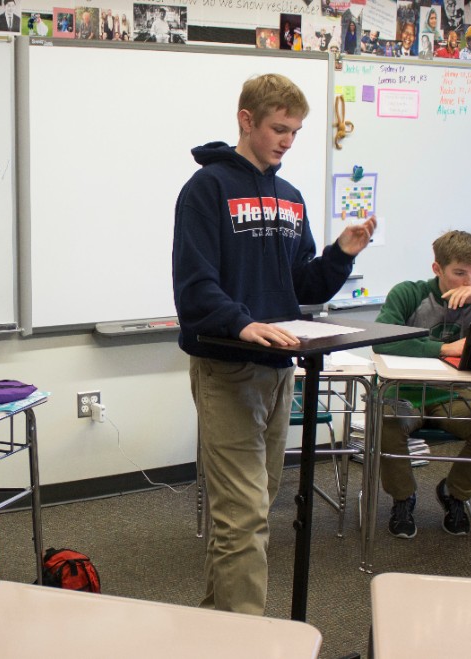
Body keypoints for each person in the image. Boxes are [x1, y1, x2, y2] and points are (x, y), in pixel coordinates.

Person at [172, 74, 376, 615]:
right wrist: (240, 322)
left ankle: (219, 628)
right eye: (278, 129)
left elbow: (301, 287)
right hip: (228, 369)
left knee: (251, 509)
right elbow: (194, 284)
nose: (287, 140)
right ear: (246, 120)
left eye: (296, 131)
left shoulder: (290, 197)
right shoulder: (206, 189)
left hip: (280, 369)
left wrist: (340, 254)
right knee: (243, 518)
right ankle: (248, 639)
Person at [372, 231, 471, 539]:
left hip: (455, 392)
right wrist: (442, 349)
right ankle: (403, 498)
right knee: (388, 423)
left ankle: (454, 493)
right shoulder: (409, 294)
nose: (468, 281)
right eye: (459, 273)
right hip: (406, 389)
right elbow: (383, 341)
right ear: (437, 269)